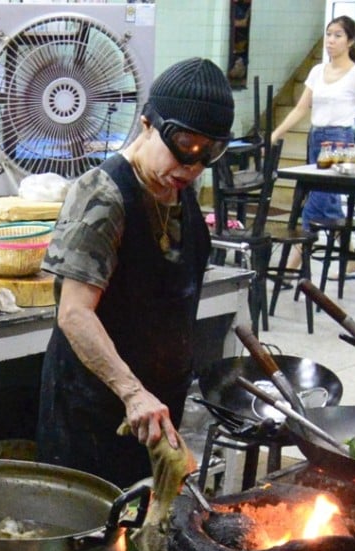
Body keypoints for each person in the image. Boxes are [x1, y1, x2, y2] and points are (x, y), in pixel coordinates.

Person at [35, 58, 234, 490]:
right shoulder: (102, 195)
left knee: (149, 519)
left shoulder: (179, 187)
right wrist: (132, 392)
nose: (192, 168)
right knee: (93, 525)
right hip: (93, 415)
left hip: (155, 412)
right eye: (183, 147)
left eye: (209, 154)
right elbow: (74, 313)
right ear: (147, 124)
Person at [271, 15, 355, 269]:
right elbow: (301, 108)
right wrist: (277, 132)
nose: (331, 40)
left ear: (350, 41)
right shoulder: (317, 71)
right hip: (315, 137)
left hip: (339, 141)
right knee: (327, 201)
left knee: (317, 200)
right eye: (329, 34)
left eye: (338, 35)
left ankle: (293, 263)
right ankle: (351, 260)